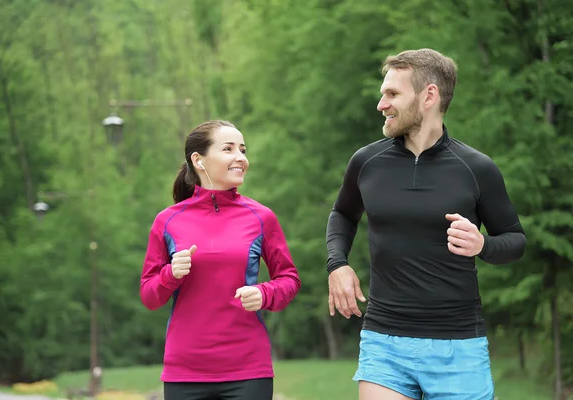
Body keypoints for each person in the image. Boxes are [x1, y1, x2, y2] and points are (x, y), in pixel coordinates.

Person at [326, 49, 526, 400]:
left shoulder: (476, 168)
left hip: (458, 346)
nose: (381, 104)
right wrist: (338, 264)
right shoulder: (366, 162)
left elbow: (515, 240)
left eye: (392, 94)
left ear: (428, 95)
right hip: (383, 341)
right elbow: (342, 214)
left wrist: (484, 246)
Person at [140, 120, 301, 400]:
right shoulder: (167, 221)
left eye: (242, 149)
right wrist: (170, 274)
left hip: (248, 370)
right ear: (198, 160)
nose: (240, 157)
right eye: (228, 149)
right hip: (185, 371)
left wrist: (264, 294)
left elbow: (289, 280)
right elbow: (149, 296)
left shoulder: (262, 217)